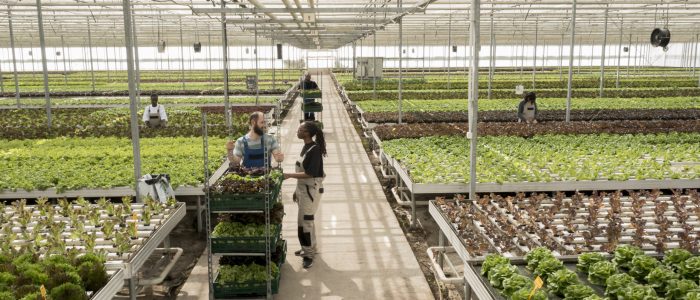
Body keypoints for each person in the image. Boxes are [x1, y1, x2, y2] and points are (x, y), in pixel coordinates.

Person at [283, 121, 326, 269]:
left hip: (310, 190)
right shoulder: (306, 147)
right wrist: (296, 190)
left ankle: (308, 255)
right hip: (303, 189)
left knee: (305, 223)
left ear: (307, 133)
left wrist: (288, 175)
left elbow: (309, 173)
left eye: (300, 129)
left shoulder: (314, 150)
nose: (298, 131)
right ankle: (310, 247)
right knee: (307, 220)